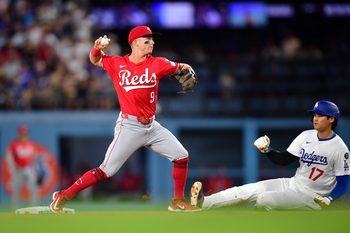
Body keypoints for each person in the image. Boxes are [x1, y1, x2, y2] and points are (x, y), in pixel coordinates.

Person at [50, 25, 199, 213]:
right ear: (135, 43)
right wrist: (97, 48)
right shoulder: (117, 63)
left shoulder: (158, 63)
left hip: (152, 126)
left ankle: (177, 201)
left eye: (153, 39)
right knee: (106, 171)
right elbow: (95, 59)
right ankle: (63, 195)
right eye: (147, 39)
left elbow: (181, 66)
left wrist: (189, 68)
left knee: (181, 156)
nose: (152, 42)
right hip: (129, 126)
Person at [190, 100, 350, 210]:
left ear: (331, 119)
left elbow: (343, 184)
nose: (315, 118)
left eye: (320, 115)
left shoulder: (339, 148)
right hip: (293, 184)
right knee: (247, 190)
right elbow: (284, 160)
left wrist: (329, 200)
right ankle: (204, 203)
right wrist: (268, 150)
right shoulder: (306, 136)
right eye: (314, 114)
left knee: (264, 200)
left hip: (312, 197)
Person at [5, 124, 40, 207]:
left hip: (29, 169)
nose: (24, 135)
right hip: (18, 169)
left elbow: (34, 158)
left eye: (25, 133)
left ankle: (34, 207)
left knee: (33, 188)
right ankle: (15, 208)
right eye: (22, 133)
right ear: (19, 134)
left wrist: (36, 170)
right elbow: (9, 158)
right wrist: (13, 168)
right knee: (16, 190)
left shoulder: (31, 144)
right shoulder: (13, 145)